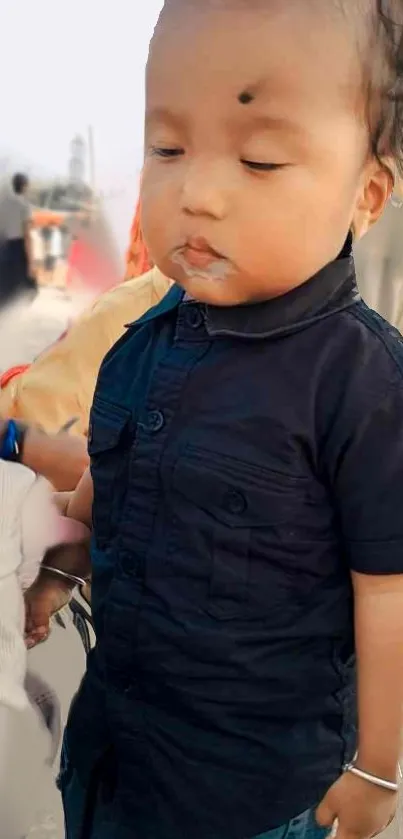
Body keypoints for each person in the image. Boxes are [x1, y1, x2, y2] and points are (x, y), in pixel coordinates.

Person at [24, 3, 403, 837]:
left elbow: (387, 589)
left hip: (250, 793)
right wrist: (64, 565)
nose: (195, 193)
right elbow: (111, 481)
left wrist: (377, 762)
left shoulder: (361, 383)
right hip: (116, 747)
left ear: (365, 194)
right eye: (166, 148)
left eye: (259, 158)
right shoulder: (141, 338)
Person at [0, 173, 37, 307]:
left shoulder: (2, 204)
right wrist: (31, 263)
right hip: (18, 247)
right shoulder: (24, 205)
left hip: (3, 248)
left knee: (5, 288)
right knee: (26, 288)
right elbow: (27, 235)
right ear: (24, 186)